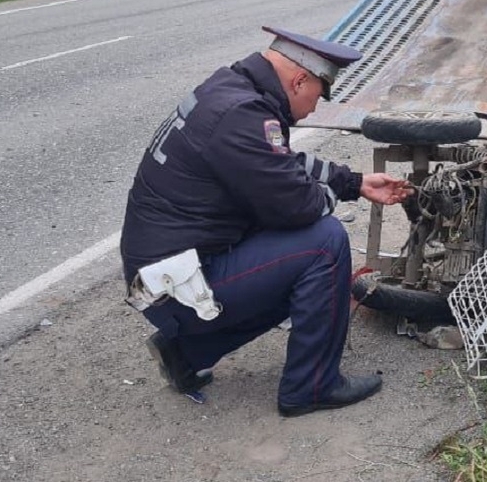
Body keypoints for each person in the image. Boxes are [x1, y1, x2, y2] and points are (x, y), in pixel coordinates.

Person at [120, 26, 413, 417]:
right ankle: (311, 387)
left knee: (297, 264)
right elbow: (299, 205)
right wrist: (325, 197)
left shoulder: (232, 91)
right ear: (298, 80)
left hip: (168, 271)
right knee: (324, 243)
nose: (315, 107)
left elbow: (282, 163)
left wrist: (355, 183)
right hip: (177, 285)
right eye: (320, 94)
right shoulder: (241, 114)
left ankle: (187, 353)